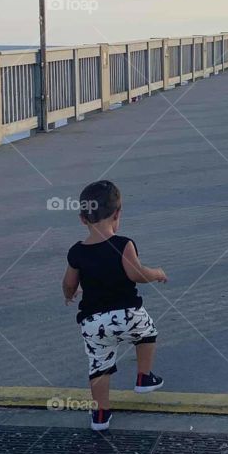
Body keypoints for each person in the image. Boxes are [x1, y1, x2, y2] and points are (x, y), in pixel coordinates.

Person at [62, 179, 168, 431]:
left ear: (82, 219)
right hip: (127, 314)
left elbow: (68, 283)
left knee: (99, 365)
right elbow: (137, 274)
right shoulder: (123, 244)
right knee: (147, 333)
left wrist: (70, 294)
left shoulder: (76, 251)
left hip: (93, 321)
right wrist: (156, 273)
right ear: (118, 213)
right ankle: (144, 377)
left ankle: (100, 416)